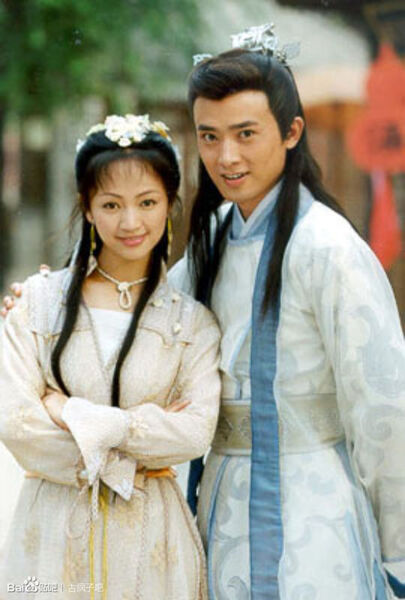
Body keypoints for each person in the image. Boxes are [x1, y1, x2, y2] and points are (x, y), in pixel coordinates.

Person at [167, 23, 405, 600]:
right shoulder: (212, 238)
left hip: (314, 513)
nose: (226, 156)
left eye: (246, 134)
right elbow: (149, 319)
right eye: (209, 136)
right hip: (222, 503)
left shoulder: (328, 246)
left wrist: (398, 548)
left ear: (292, 131)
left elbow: (384, 409)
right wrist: (49, 301)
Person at [0, 113, 221, 599]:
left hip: (153, 541)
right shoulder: (37, 304)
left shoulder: (191, 324)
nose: (130, 222)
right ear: (87, 206)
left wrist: (71, 412)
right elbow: (17, 424)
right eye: (111, 204)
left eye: (147, 202)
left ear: (170, 204)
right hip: (50, 534)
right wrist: (135, 447)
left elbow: (194, 431)